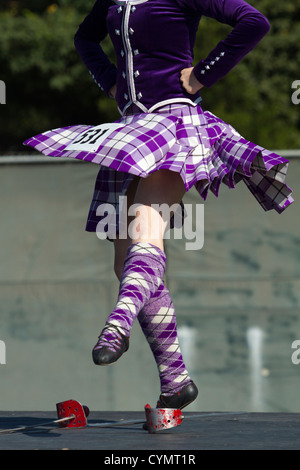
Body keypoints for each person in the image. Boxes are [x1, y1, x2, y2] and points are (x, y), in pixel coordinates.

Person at [24, 0, 294, 411]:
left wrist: (203, 74)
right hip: (131, 131)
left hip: (173, 125)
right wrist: (108, 80)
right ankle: (175, 380)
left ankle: (117, 325)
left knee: (146, 235)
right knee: (123, 262)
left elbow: (253, 21)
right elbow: (84, 37)